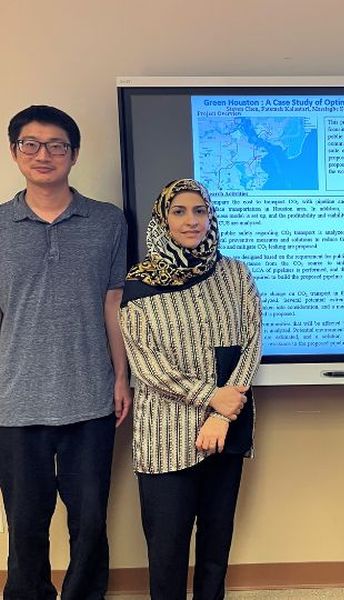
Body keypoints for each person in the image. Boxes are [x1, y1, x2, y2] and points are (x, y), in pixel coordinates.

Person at [0, 105, 130, 600]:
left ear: (73, 154)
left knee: (90, 520)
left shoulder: (107, 221)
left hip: (91, 397)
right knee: (25, 523)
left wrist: (121, 378)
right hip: (15, 402)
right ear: (15, 153)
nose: (44, 154)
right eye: (31, 144)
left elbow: (113, 301)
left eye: (57, 145)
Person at [119, 178, 262, 600]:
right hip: (166, 436)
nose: (191, 221)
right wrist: (209, 397)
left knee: (216, 544)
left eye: (199, 211)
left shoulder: (234, 274)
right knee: (167, 551)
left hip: (226, 429)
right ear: (163, 218)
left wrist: (222, 412)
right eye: (179, 211)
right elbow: (148, 366)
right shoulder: (139, 284)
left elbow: (251, 342)